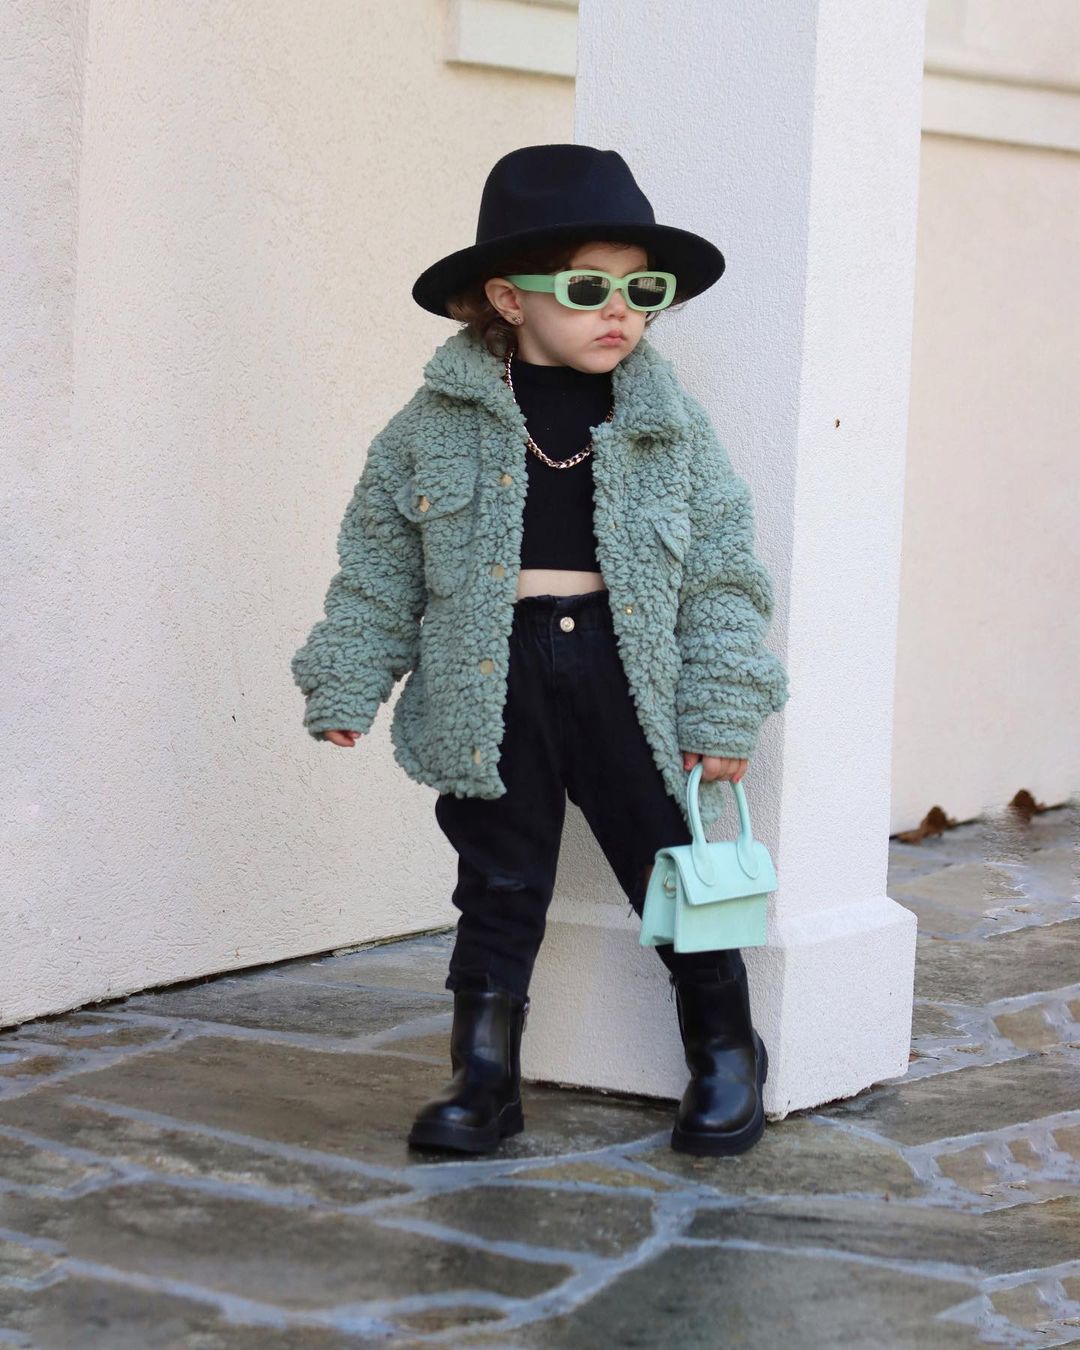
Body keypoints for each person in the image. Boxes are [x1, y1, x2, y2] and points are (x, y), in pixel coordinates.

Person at [290, 144, 789, 1159]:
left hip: (627, 673)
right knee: (500, 878)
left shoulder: (668, 427)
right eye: (589, 288)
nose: (621, 312)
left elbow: (723, 574)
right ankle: (483, 1076)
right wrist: (348, 677)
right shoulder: (429, 428)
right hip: (491, 674)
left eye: (643, 291)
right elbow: (379, 567)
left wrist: (723, 705)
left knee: (670, 856)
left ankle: (726, 1050)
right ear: (508, 299)